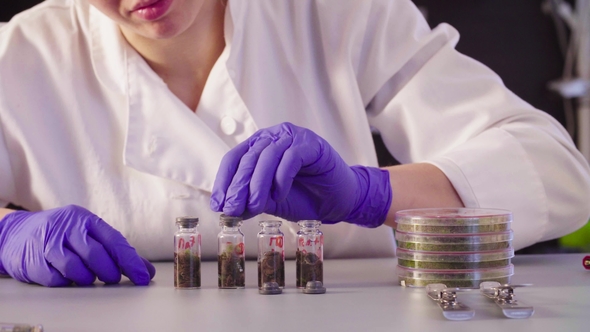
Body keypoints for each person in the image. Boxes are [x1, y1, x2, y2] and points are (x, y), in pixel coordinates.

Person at [0, 0, 589, 287]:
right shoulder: (21, 54)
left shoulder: (339, 12)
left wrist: (373, 193)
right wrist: (6, 233)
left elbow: (555, 171)